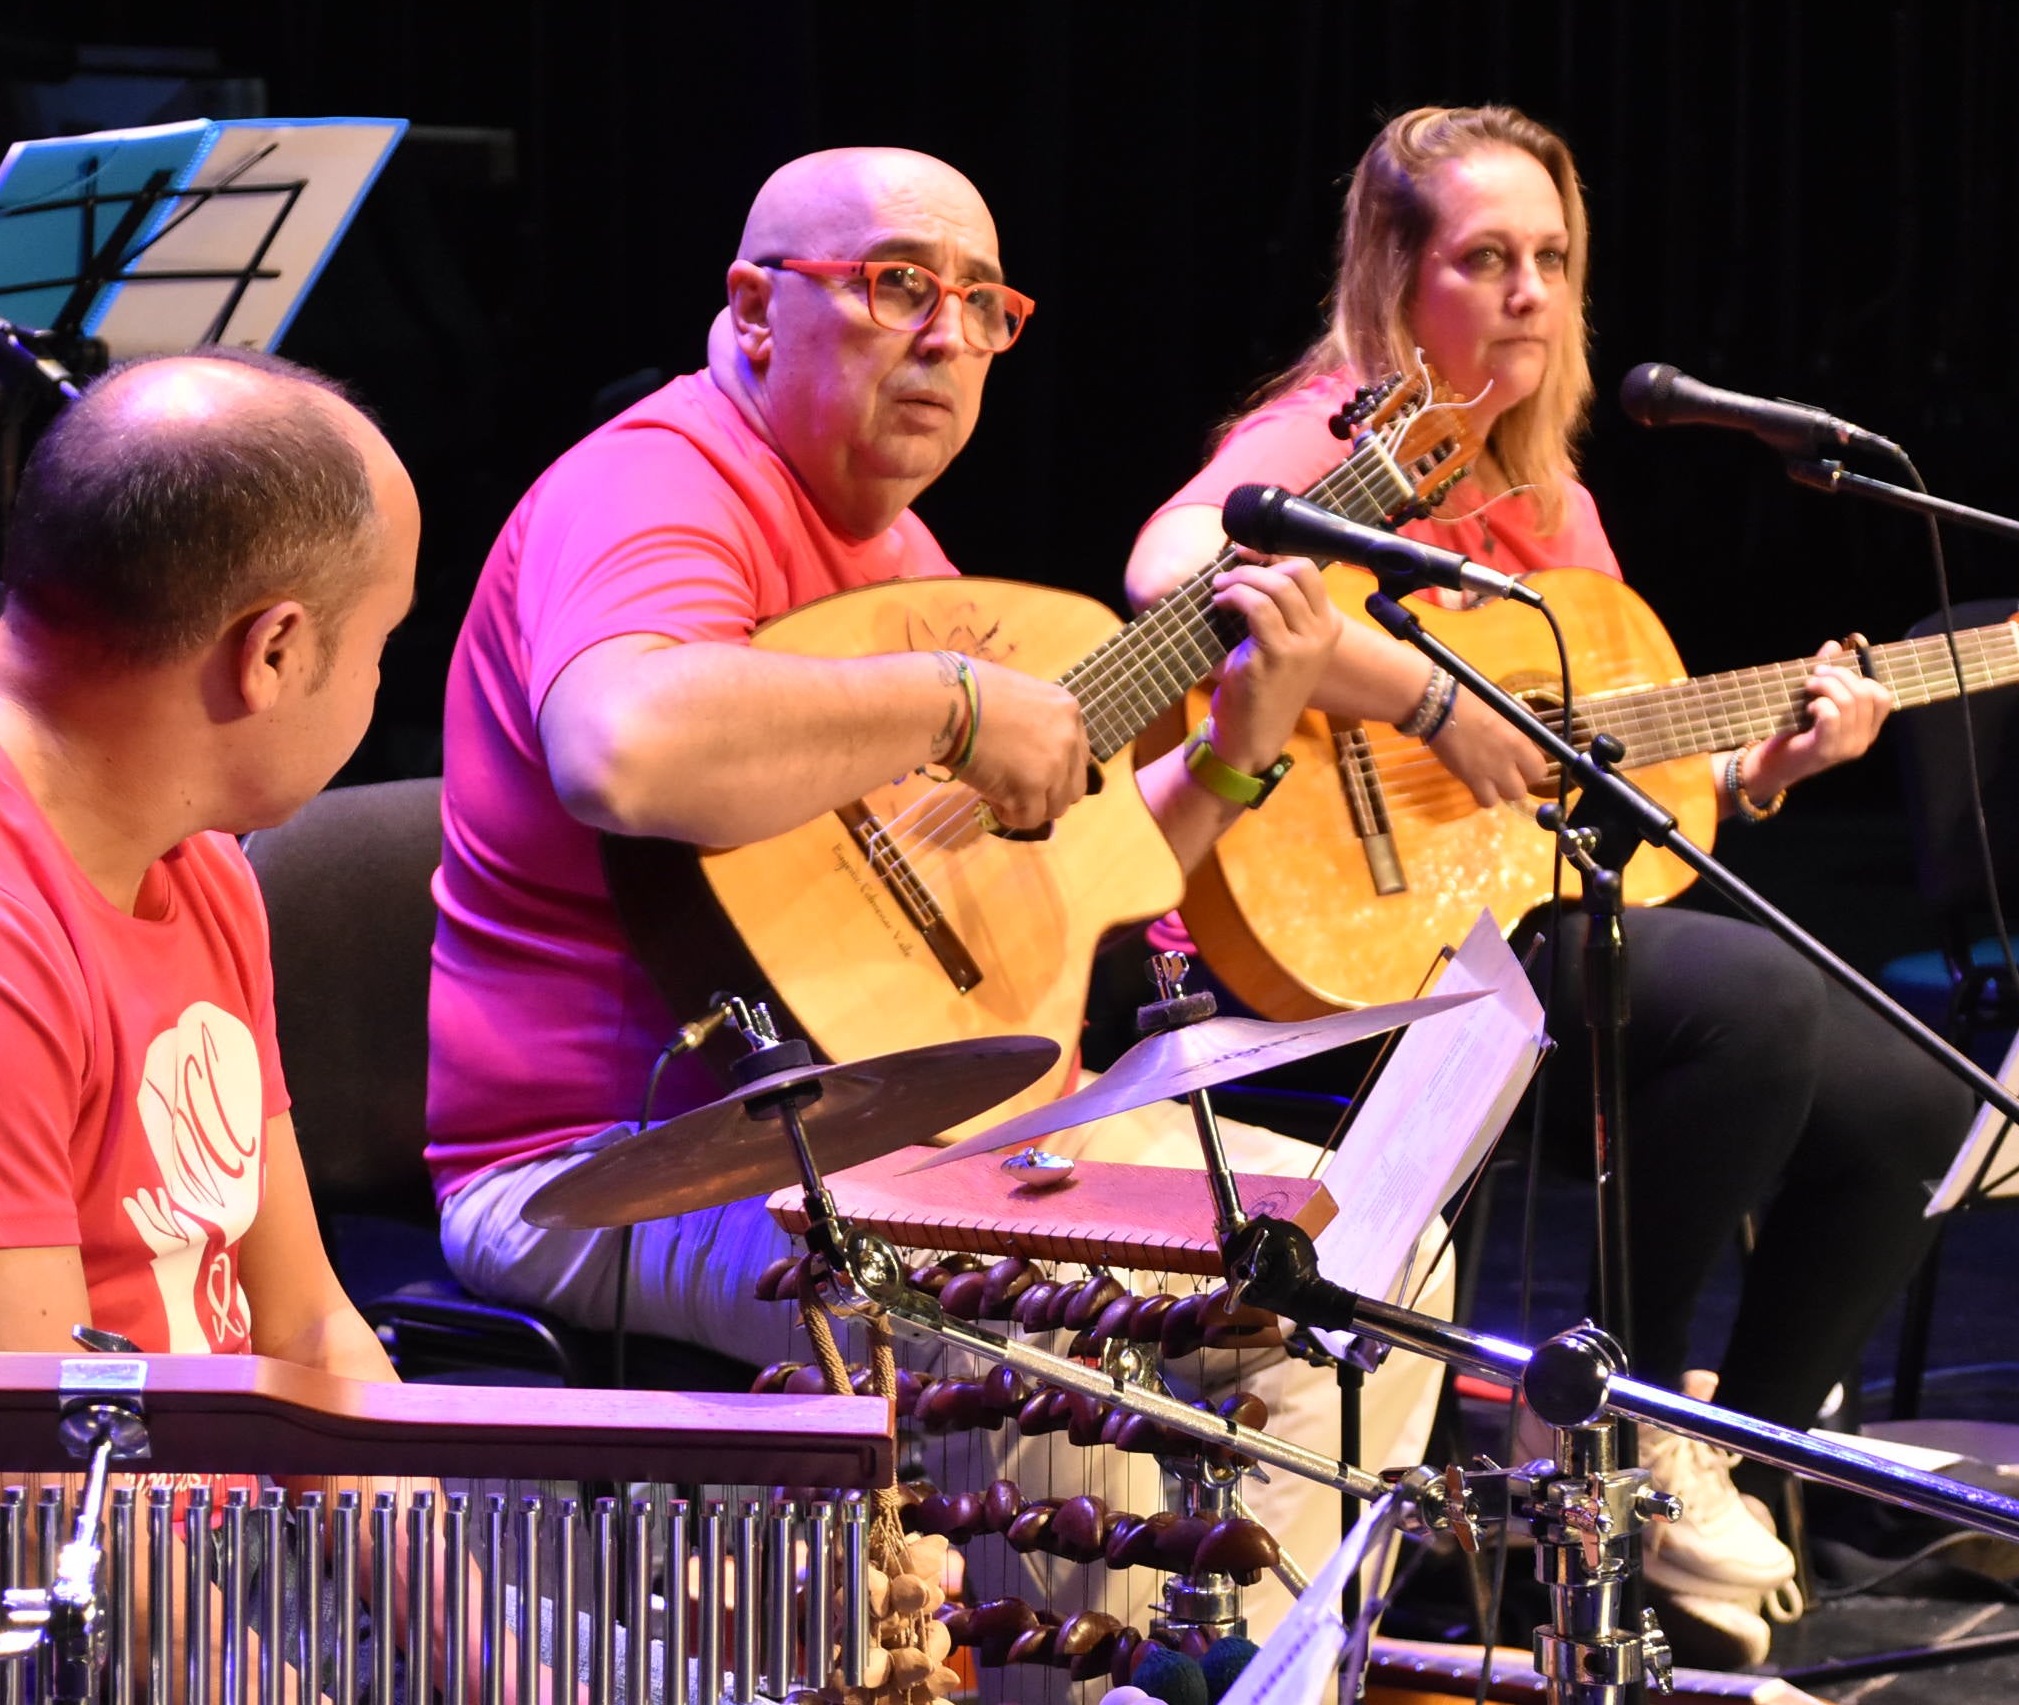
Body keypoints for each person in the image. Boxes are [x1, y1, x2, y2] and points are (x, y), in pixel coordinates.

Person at [425, 146, 1424, 1632]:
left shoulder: (893, 544)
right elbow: (621, 748)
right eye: (899, 286)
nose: (948, 336)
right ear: (756, 309)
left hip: (899, 1119)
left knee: (1372, 1253)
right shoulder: (655, 487)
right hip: (614, 1159)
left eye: (984, 304)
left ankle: (1252, 1663)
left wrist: (1231, 753)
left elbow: (1033, 888)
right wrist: (954, 699)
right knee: (1046, 1326)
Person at [1127, 104, 1977, 1664]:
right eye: (1484, 258)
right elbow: (1178, 566)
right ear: (1395, 275)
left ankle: (1736, 1472)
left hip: (1493, 924)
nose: (1527, 291)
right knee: (1753, 1004)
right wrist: (1428, 700)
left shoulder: (1554, 504)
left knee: (1916, 1102)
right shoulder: (1345, 432)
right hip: (1314, 953)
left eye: (1553, 261)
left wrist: (1766, 771)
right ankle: (1607, 1431)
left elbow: (1599, 803)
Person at [0, 349, 417, 1382]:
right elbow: (30, 1486)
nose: (377, 679)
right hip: (71, 1537)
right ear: (271, 651)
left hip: (213, 1532)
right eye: (382, 638)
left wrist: (434, 1547)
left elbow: (308, 1328)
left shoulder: (194, 858)